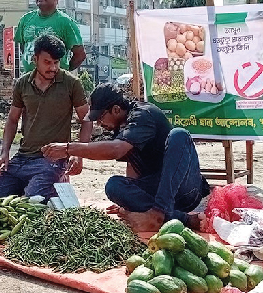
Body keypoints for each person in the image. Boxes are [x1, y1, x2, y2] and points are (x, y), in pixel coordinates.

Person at [41, 83, 210, 232]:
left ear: (116, 109)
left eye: (100, 118)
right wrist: (129, 202)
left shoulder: (143, 114)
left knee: (179, 135)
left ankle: (158, 214)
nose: (100, 125)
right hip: (158, 193)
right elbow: (133, 166)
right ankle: (184, 219)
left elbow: (116, 149)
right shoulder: (120, 125)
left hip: (185, 190)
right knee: (114, 185)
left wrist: (70, 148)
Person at [0, 34, 92, 201]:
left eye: (56, 63)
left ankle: (51, 185)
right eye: (47, 62)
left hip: (53, 160)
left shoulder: (71, 83)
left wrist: (78, 154)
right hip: (22, 158)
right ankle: (41, 187)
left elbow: (86, 119)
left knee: (34, 200)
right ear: (35, 59)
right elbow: (12, 120)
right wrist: (4, 153)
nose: (53, 68)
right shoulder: (22, 83)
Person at [15, 0, 86, 73]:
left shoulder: (66, 22)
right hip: (30, 82)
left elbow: (80, 55)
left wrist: (64, 72)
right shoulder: (25, 19)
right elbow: (24, 47)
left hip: (56, 85)